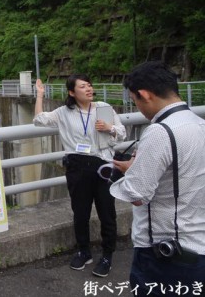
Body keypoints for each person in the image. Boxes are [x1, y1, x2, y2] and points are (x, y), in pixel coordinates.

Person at [110, 61, 205, 295]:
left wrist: (129, 171)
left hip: (164, 253)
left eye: (135, 100)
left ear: (144, 95)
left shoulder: (160, 131)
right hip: (198, 246)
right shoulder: (199, 124)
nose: (138, 107)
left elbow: (137, 194)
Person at [33, 74, 126, 277]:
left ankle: (107, 255)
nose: (89, 89)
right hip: (77, 166)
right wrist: (39, 95)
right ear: (72, 92)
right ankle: (84, 251)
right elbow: (39, 121)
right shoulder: (64, 112)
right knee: (80, 213)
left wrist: (109, 128)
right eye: (83, 86)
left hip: (103, 165)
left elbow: (122, 133)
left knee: (106, 212)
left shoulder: (104, 108)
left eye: (89, 85)